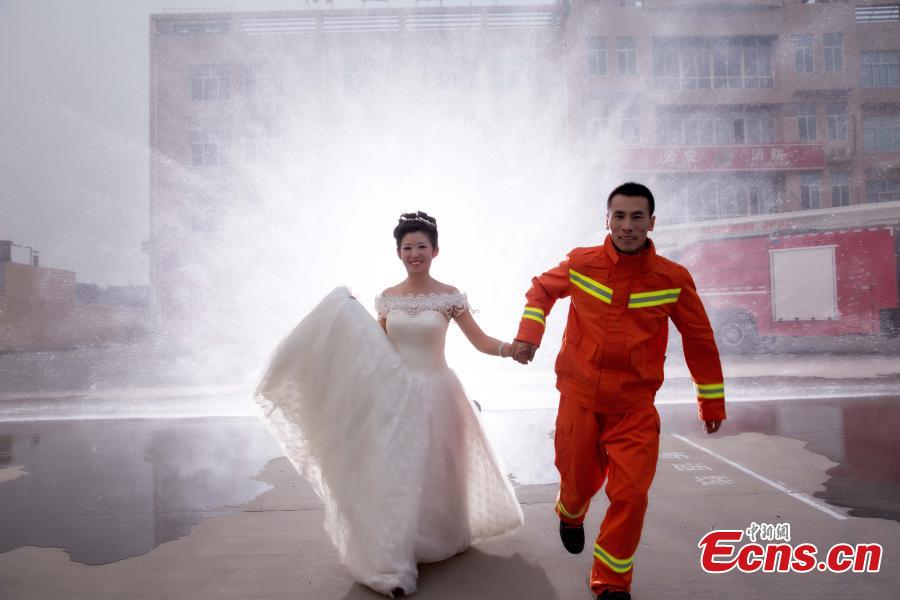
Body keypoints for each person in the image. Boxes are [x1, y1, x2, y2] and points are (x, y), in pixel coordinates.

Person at [255, 211, 523, 598]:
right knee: (396, 472)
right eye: (407, 247)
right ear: (398, 252)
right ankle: (396, 554)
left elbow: (479, 341)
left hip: (440, 392)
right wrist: (347, 319)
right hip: (397, 396)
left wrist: (508, 350)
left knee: (436, 469)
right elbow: (377, 349)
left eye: (421, 247)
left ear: (435, 250)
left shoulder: (450, 296)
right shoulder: (387, 299)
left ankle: (436, 537)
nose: (415, 253)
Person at [510, 182, 726, 600]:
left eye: (637, 217)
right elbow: (541, 290)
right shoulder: (580, 263)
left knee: (631, 495)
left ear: (652, 222)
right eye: (619, 217)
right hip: (580, 399)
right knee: (577, 482)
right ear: (606, 220)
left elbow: (699, 338)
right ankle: (570, 513)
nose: (627, 226)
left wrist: (711, 398)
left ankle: (611, 582)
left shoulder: (673, 279)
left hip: (634, 408)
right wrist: (529, 335)